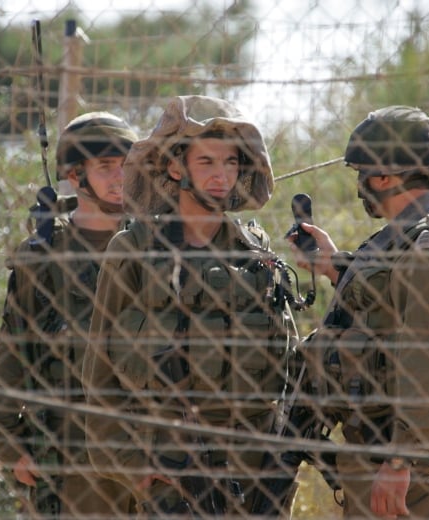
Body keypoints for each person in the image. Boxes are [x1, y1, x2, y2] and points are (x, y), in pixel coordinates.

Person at [83, 95, 300, 516]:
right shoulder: (132, 252)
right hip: (173, 472)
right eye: (207, 163)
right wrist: (131, 466)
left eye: (231, 163)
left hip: (257, 473)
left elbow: (289, 360)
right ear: (175, 166)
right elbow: (100, 374)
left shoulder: (256, 253)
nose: (222, 176)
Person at [289, 106, 429, 518]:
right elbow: (386, 311)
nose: (359, 187)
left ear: (384, 178)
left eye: (362, 174)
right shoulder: (403, 239)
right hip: (385, 449)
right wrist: (331, 266)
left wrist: (400, 461)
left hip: (403, 459)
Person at [0, 112, 139, 517]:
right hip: (73, 453)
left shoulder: (156, 245)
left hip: (153, 448)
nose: (120, 177)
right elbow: (11, 352)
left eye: (127, 166)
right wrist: (10, 446)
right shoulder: (46, 256)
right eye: (106, 167)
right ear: (75, 174)